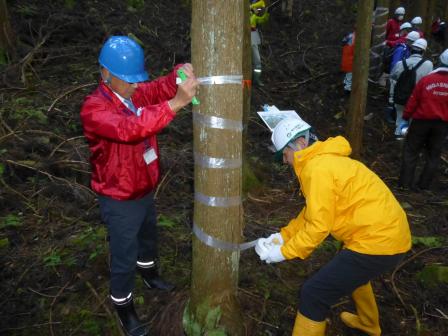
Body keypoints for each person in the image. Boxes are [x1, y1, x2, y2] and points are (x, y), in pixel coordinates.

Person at [80, 36, 199, 336]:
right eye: (129, 80)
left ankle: (149, 274)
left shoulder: (132, 93)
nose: (136, 85)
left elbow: (157, 88)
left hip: (144, 187)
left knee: (148, 237)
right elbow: (129, 129)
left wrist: (178, 74)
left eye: (137, 79)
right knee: (124, 255)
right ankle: (124, 307)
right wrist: (176, 104)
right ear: (105, 74)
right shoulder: (94, 109)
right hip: (119, 198)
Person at [255, 117, 411, 336]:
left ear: (299, 144)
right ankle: (368, 324)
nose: (285, 161)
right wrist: (283, 236)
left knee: (314, 293)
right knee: (349, 269)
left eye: (284, 154)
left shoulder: (316, 169)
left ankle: (367, 324)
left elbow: (318, 226)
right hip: (385, 234)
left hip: (379, 242)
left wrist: (283, 252)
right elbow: (314, 210)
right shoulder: (323, 161)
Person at [399, 49, 448, 190]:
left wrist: (405, 117)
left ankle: (405, 185)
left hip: (421, 122)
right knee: (433, 155)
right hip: (442, 125)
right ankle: (424, 186)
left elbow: (413, 100)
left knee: (411, 151)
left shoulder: (427, 80)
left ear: (440, 61)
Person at [391, 38, 433, 139]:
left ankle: (398, 136)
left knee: (400, 118)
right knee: (412, 121)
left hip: (400, 97)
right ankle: (407, 139)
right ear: (423, 51)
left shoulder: (400, 63)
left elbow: (393, 79)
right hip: (416, 99)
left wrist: (391, 97)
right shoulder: (428, 65)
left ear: (411, 49)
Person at [250, 0, 270, 86]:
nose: (258, 10)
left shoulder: (254, 17)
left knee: (257, 62)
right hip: (250, 40)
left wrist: (267, 13)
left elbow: (262, 20)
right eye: (256, 9)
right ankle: (255, 80)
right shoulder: (250, 16)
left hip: (254, 40)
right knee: (257, 61)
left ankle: (256, 80)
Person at [341, 30, 355, 94]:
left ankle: (345, 82)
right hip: (350, 62)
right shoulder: (354, 40)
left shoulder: (350, 36)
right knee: (350, 74)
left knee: (348, 73)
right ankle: (347, 88)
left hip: (346, 61)